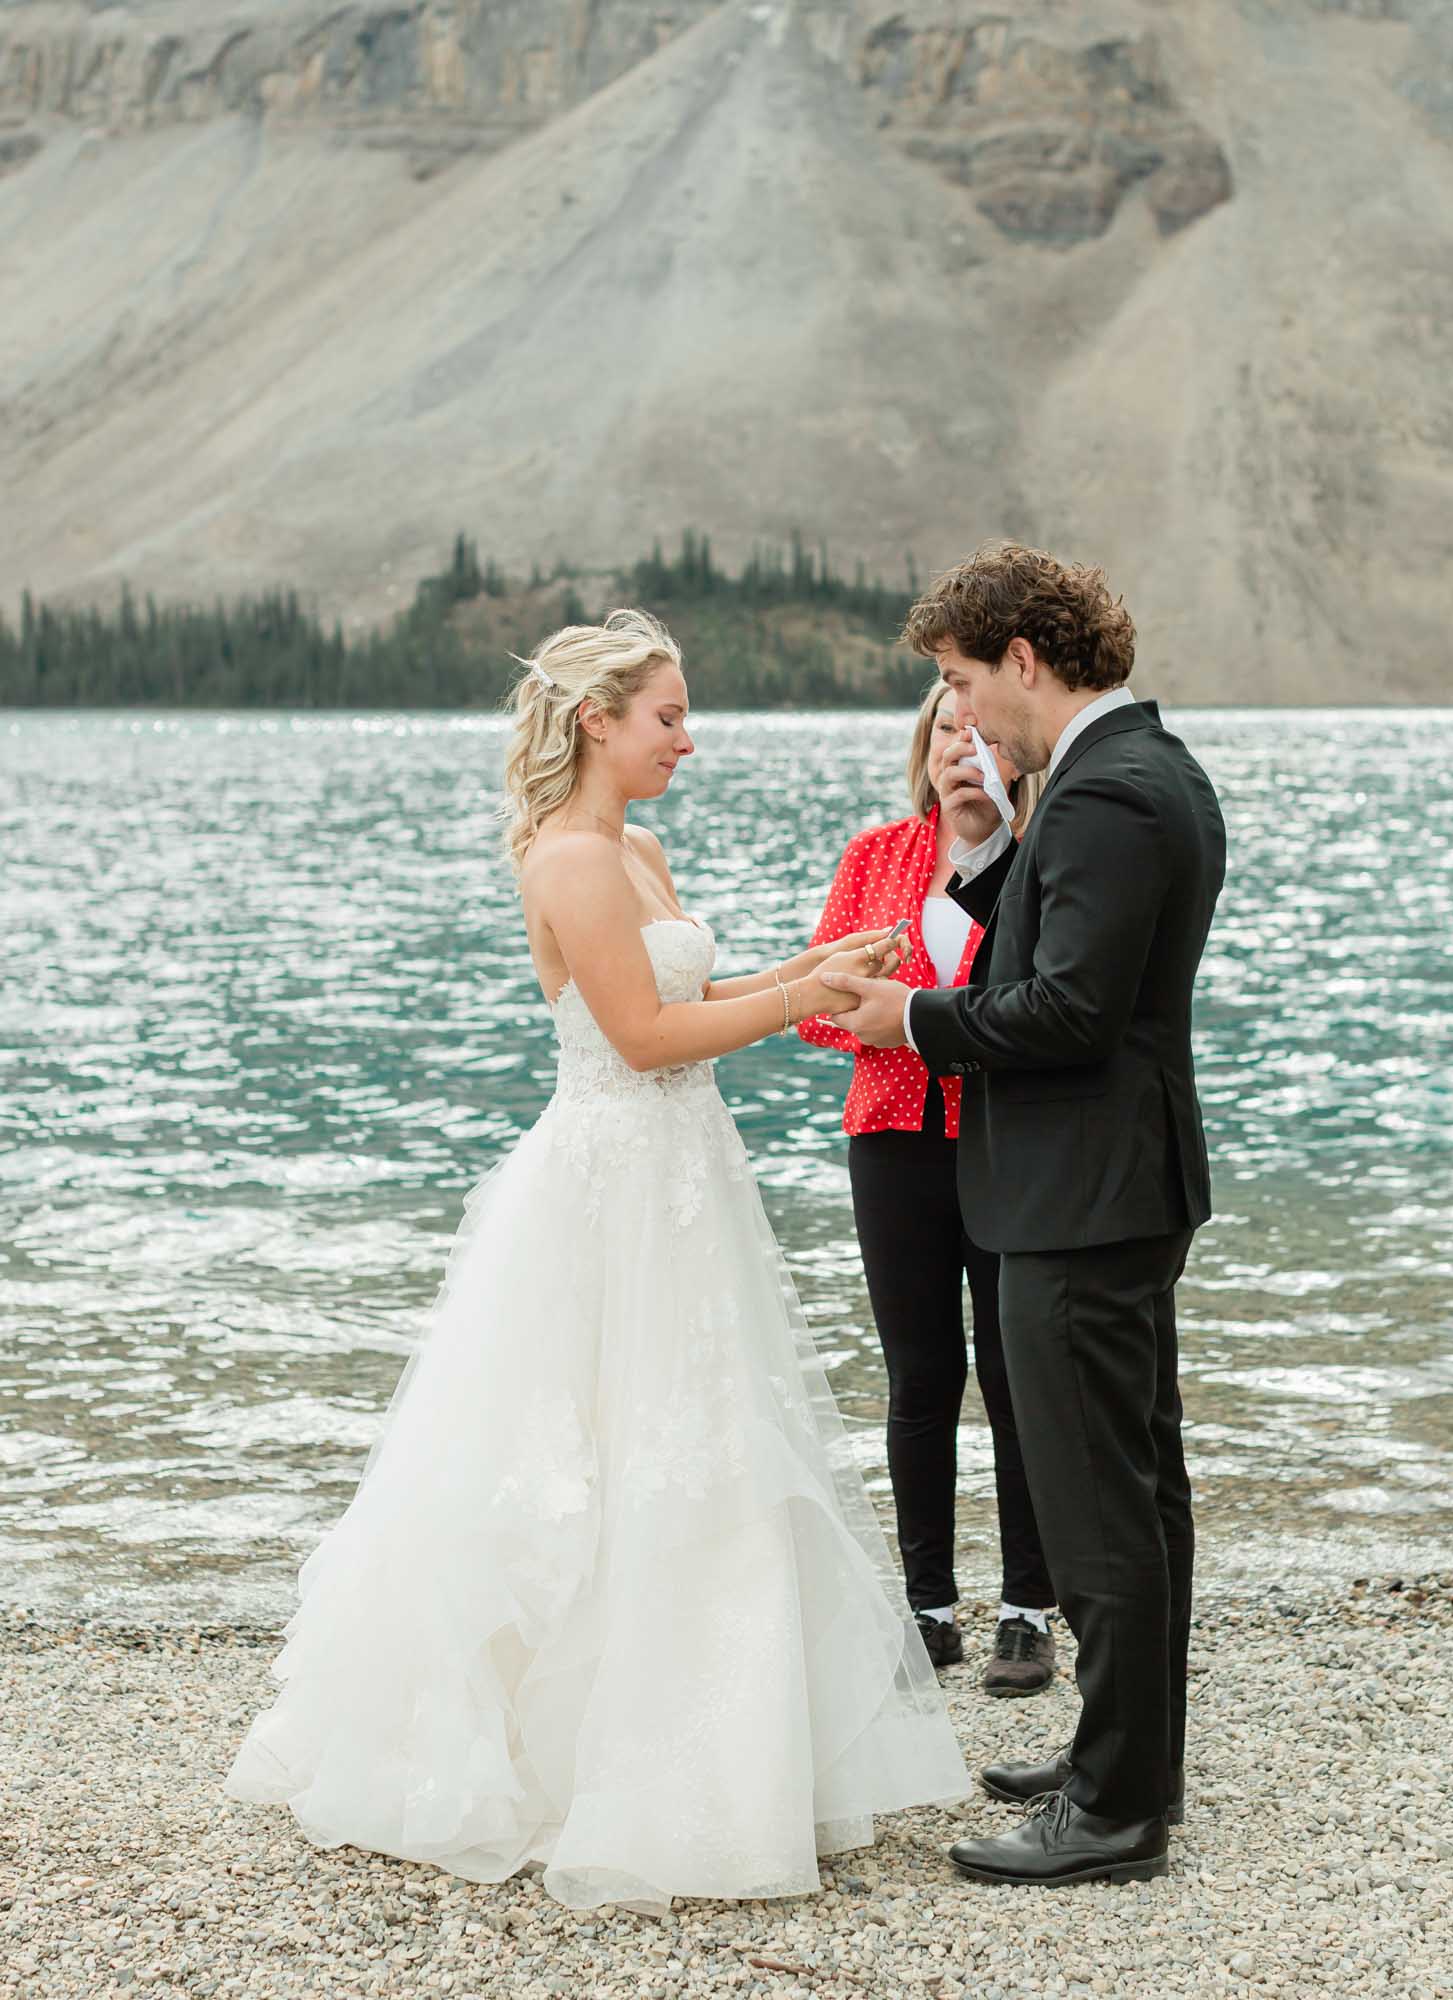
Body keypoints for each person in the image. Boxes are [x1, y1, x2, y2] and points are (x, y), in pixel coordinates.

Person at [223, 609, 971, 1912]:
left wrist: (817, 964)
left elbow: (692, 991)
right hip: (612, 1185)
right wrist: (800, 1003)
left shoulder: (639, 847)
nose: (688, 737)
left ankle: (739, 1757)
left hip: (684, 1182)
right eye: (667, 716)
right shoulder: (568, 860)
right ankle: (578, 1763)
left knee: (709, 1443)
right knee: (593, 1454)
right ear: (598, 722)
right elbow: (640, 1036)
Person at [822, 542, 1227, 1889]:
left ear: (1024, 662)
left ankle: (1115, 1811)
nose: (960, 713)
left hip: (1083, 1194)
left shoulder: (1113, 792)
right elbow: (1058, 938)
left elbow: (1068, 1011)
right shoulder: (1118, 776)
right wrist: (975, 874)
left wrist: (914, 1022)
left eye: (958, 680)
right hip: (1103, 1183)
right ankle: (1127, 1760)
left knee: (1104, 1501)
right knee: (1137, 1489)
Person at [799, 680, 1057, 1694]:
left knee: (1015, 1372)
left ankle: (1030, 1610)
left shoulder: (1044, 861)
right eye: (948, 732)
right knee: (918, 1378)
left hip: (1008, 1142)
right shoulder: (875, 857)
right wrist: (881, 1013)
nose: (965, 748)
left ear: (1016, 753)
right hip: (893, 1140)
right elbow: (819, 1010)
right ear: (925, 750)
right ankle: (927, 1608)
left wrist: (912, 1008)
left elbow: (1051, 1011)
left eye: (982, 732)